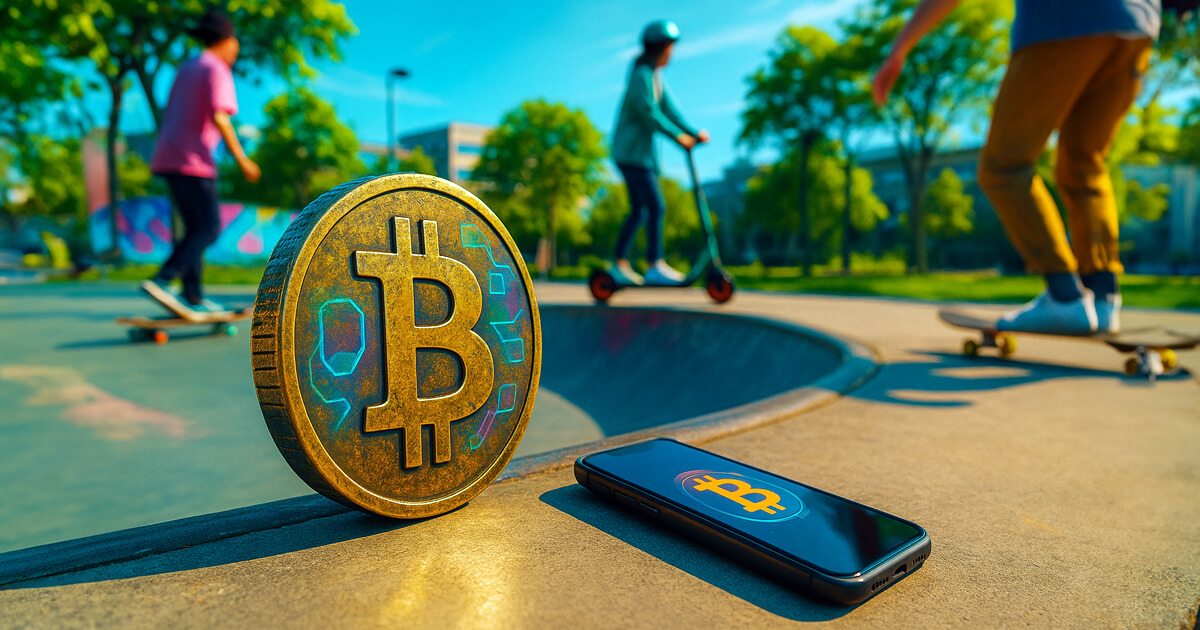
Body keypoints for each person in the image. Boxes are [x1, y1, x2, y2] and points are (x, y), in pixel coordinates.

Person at [873, 0, 1161, 334]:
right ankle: (1102, 297)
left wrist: (900, 47)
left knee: (1003, 165)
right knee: (1085, 162)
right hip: (1138, 26)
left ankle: (1064, 296)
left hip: (1065, 19)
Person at [143, 7, 260, 319]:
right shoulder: (216, 68)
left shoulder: (188, 67)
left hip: (168, 156)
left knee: (195, 228)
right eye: (235, 41)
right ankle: (164, 278)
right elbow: (220, 117)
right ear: (226, 40)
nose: (237, 48)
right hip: (194, 161)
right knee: (209, 226)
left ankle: (192, 295)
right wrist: (243, 160)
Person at [610, 20, 710, 286]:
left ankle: (619, 264)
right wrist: (678, 137)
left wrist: (693, 131)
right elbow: (649, 113)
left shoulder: (655, 77)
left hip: (641, 156)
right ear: (660, 48)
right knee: (655, 206)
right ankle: (654, 265)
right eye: (670, 48)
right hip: (631, 154)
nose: (671, 54)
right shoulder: (641, 75)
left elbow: (669, 110)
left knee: (640, 210)